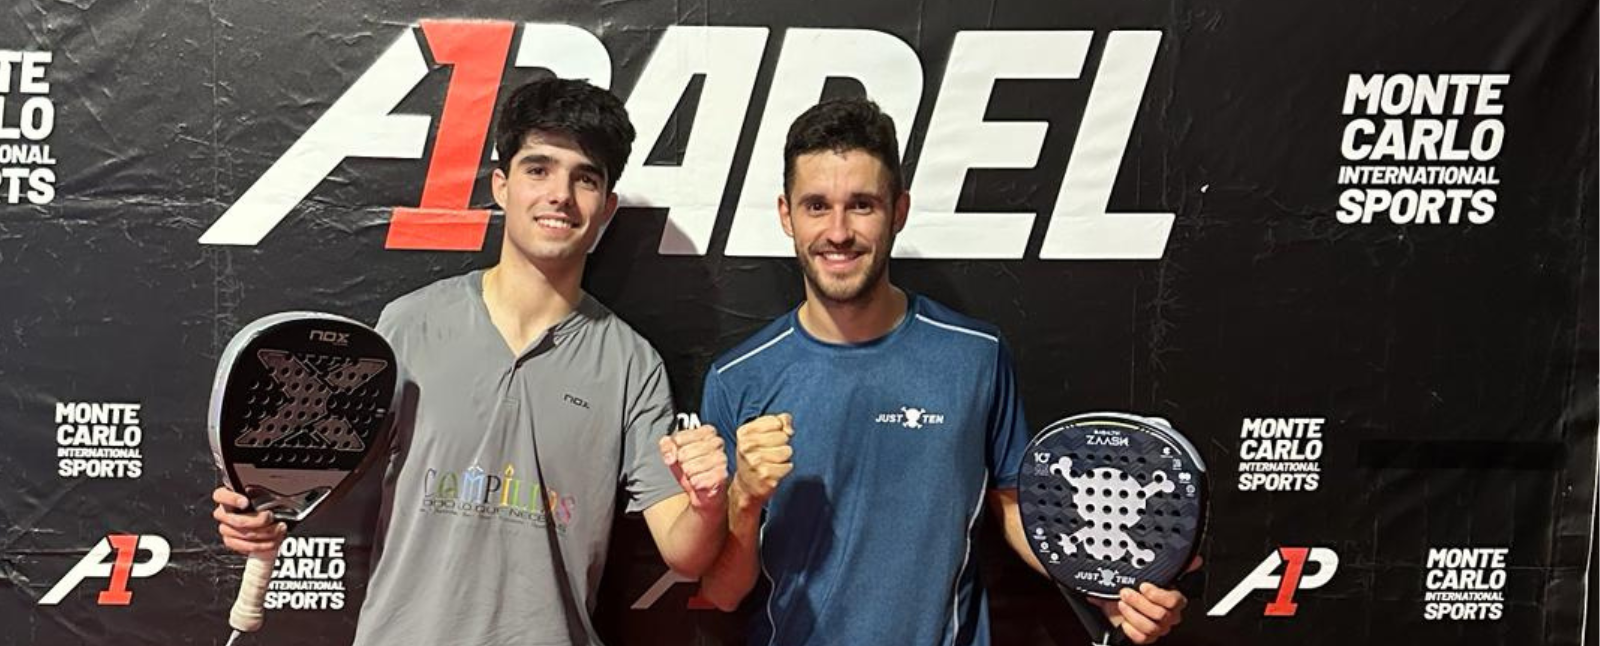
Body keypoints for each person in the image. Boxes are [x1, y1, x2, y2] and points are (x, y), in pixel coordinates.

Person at [209, 77, 730, 646]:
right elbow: (325, 480)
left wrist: (708, 505)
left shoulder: (633, 365)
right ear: (501, 186)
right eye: (539, 169)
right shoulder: (408, 326)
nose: (560, 194)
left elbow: (685, 552)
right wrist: (263, 513)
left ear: (604, 208)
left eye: (584, 178)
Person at [696, 98, 1191, 645]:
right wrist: (743, 497)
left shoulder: (975, 354)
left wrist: (1101, 586)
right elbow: (720, 592)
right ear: (786, 214)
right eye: (817, 206)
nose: (838, 232)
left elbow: (1012, 509)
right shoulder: (737, 378)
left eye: (862, 205)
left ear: (898, 210)